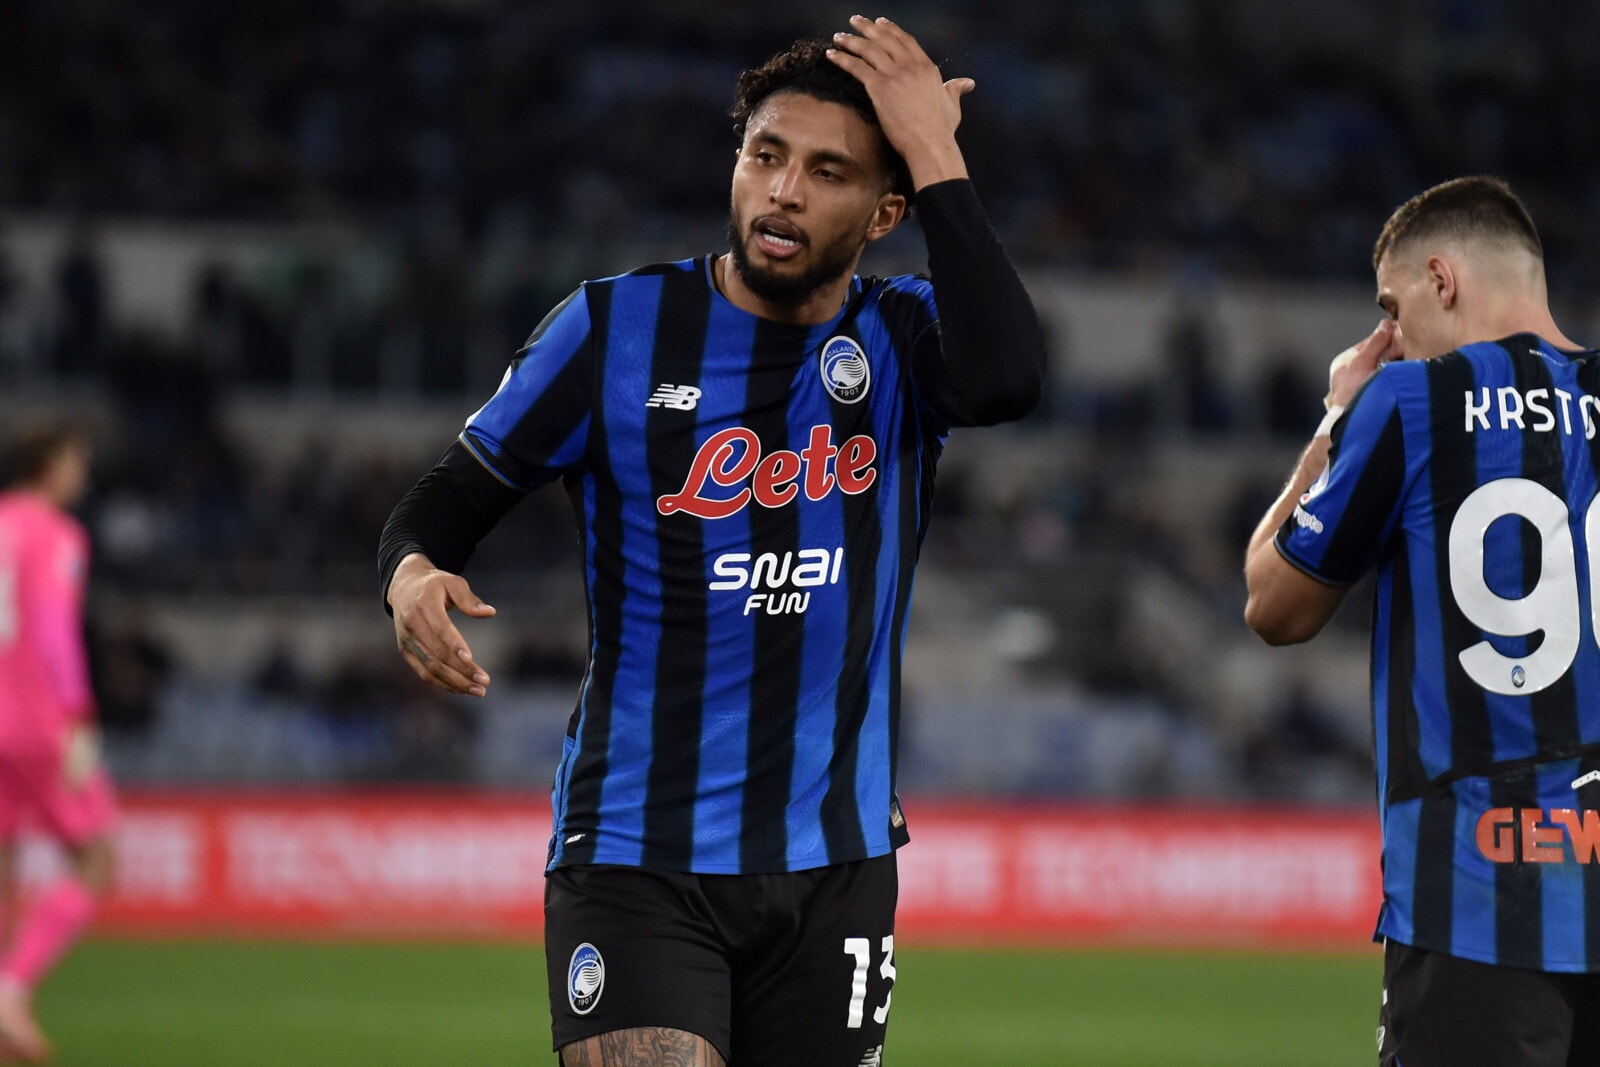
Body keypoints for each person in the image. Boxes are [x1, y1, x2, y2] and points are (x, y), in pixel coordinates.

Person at [380, 17, 1044, 1066]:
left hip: (837, 860)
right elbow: (439, 505)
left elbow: (1009, 377)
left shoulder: (903, 337)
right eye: (765, 155)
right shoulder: (610, 329)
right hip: (639, 851)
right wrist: (411, 574)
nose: (783, 191)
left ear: (886, 212)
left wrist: (935, 152)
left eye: (828, 172)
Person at [1244, 176, 1600, 1066]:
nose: (1392, 336)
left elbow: (1273, 604)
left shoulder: (1411, 402)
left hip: (1474, 900)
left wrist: (1335, 416)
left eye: (1392, 309)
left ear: (1441, 279)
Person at [0, 421, 118, 1062]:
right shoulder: (56, 534)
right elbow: (51, 627)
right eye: (76, 461)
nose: (82, 474)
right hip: (35, 719)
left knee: (3, 862)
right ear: (49, 464)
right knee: (97, 857)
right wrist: (78, 713)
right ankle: (11, 991)